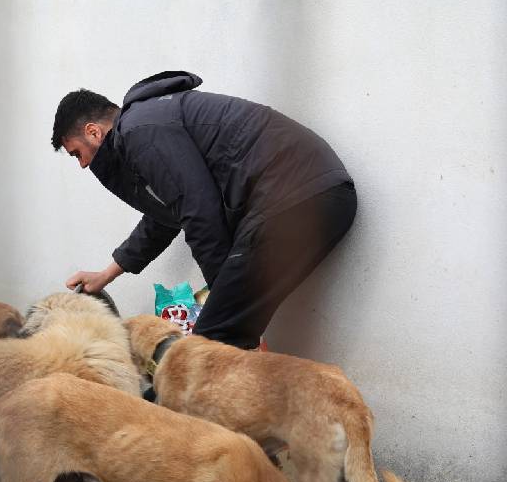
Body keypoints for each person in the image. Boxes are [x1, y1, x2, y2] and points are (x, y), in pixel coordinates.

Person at [56, 71, 355, 350]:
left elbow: (199, 212)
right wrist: (108, 274)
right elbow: (165, 218)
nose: (83, 164)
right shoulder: (146, 125)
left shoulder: (141, 130)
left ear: (94, 132)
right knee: (227, 338)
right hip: (309, 197)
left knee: (210, 346)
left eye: (77, 154)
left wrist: (221, 296)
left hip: (295, 198)